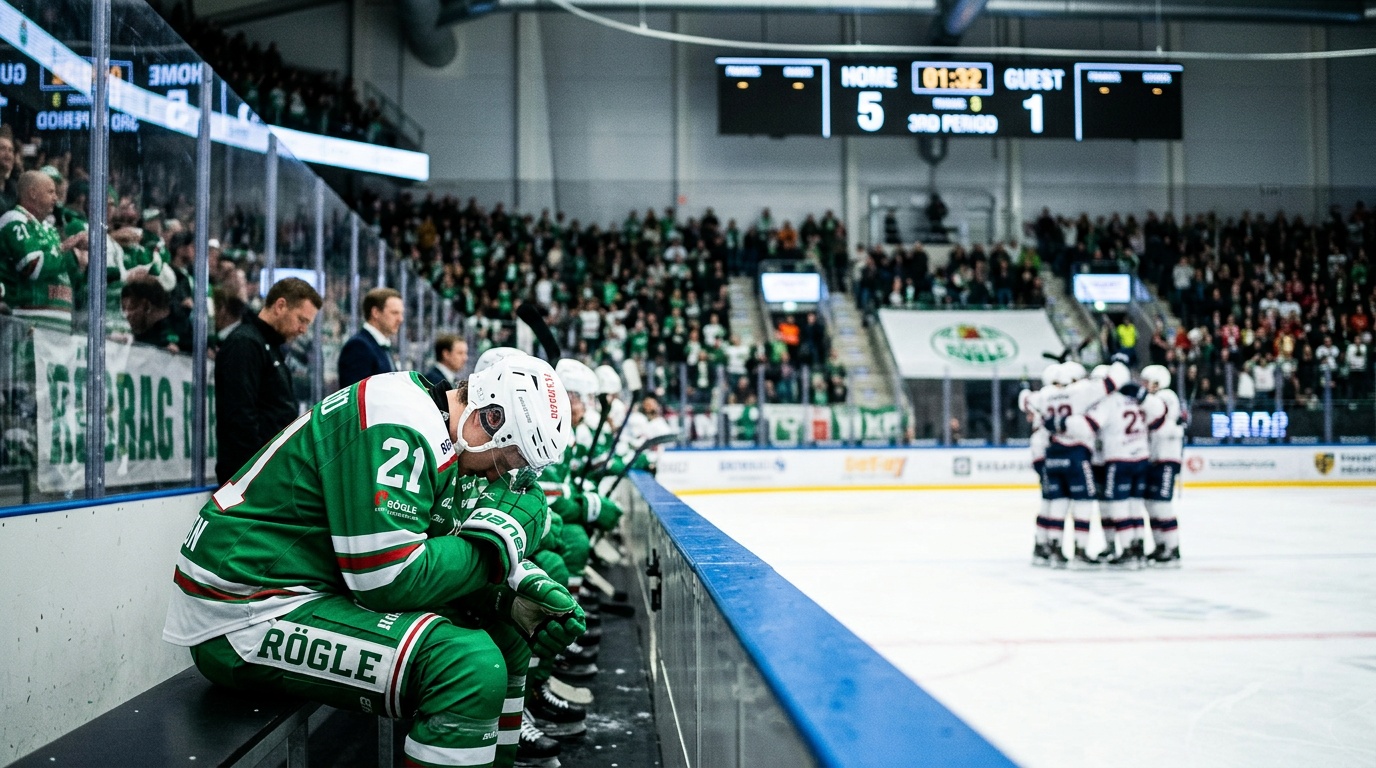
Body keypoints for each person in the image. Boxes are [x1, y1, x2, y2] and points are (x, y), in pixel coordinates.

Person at [164, 354, 582, 768]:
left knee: (505, 635)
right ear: (490, 418)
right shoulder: (401, 423)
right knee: (468, 667)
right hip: (245, 606)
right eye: (504, 460)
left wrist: (502, 596)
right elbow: (388, 579)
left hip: (302, 584)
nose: (497, 475)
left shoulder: (432, 420)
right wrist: (496, 551)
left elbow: (434, 545)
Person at [214, 277, 322, 484]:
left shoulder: (270, 347)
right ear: (280, 306)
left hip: (268, 472)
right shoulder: (245, 344)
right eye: (302, 320)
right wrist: (257, 474)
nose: (303, 330)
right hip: (249, 478)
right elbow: (239, 417)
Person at [0, 170, 89, 332]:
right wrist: (65, 247)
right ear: (33, 193)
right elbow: (33, 266)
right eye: (50, 192)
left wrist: (79, 261)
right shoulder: (14, 221)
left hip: (58, 325)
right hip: (29, 323)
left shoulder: (50, 229)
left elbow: (65, 276)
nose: (56, 198)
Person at [1140, 365, 1184, 566]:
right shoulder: (1157, 397)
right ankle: (1160, 545)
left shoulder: (1166, 396)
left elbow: (1161, 424)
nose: (1145, 386)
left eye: (1148, 381)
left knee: (1162, 504)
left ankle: (1172, 547)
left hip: (1166, 458)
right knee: (1151, 504)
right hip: (1154, 458)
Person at [339, 287, 403, 388]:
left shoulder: (381, 346)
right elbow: (355, 395)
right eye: (394, 313)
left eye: (401, 313)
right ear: (375, 312)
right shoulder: (359, 346)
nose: (400, 319)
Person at [120, 277, 193, 353]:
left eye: (131, 308)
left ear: (147, 306)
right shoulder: (138, 331)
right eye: (124, 309)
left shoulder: (182, 324)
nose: (127, 314)